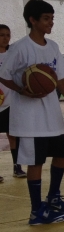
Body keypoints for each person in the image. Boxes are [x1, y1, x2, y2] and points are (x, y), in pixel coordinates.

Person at [0, 0, 64, 225]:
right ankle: (36, 211)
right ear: (32, 20)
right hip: (29, 117)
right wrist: (21, 90)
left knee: (62, 154)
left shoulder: (53, 47)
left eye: (52, 18)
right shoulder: (19, 48)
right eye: (46, 18)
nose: (50, 22)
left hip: (51, 114)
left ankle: (54, 198)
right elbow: (4, 74)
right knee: (35, 162)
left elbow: (61, 80)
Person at [0, 24, 25, 181]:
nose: (5, 38)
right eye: (2, 34)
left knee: (14, 135)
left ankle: (17, 166)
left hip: (11, 102)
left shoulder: (13, 55)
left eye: (8, 35)